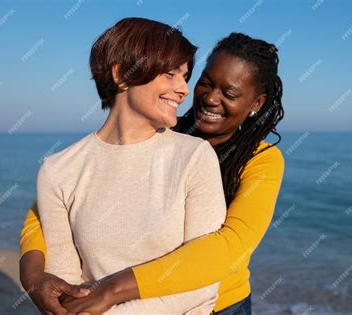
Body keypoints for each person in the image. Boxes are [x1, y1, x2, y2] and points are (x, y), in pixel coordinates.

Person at [20, 32, 285, 315]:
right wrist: (34, 277)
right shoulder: (161, 128)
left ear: (256, 104)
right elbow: (46, 212)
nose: (210, 98)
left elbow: (230, 246)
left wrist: (112, 289)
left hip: (219, 304)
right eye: (205, 83)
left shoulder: (261, 159)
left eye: (229, 93)